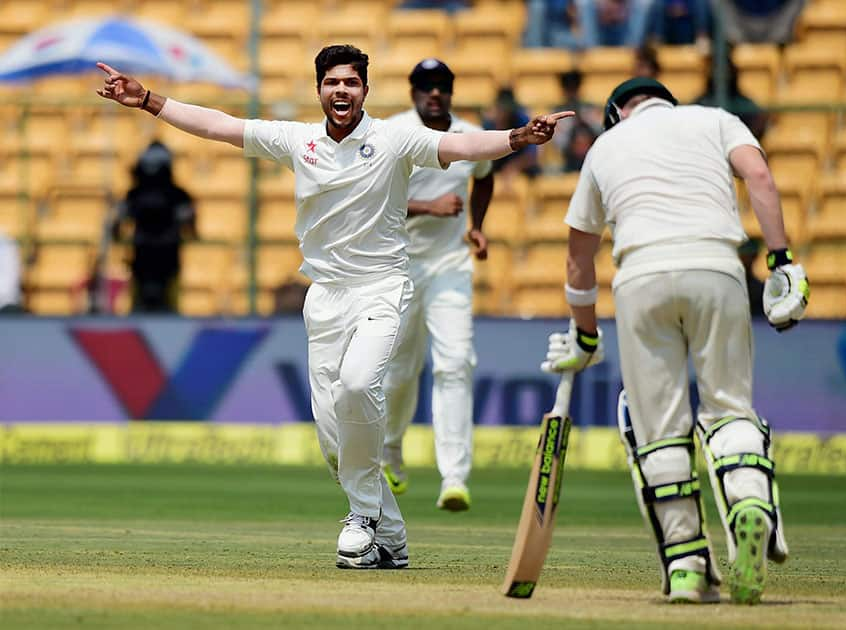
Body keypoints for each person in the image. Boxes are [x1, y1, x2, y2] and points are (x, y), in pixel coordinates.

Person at [95, 45, 572, 569]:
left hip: (382, 287)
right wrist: (147, 101)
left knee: (357, 385)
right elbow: (219, 125)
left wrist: (519, 137)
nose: (340, 91)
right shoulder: (298, 140)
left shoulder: (395, 138)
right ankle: (391, 537)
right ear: (318, 89)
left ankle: (362, 521)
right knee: (331, 440)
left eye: (350, 83)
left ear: (365, 90)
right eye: (331, 83)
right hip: (323, 297)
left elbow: (461, 146)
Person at [539, 77, 807, 604]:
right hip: (717, 266)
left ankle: (686, 566)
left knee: (658, 428)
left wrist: (585, 335)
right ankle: (750, 504)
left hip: (641, 274)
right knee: (729, 409)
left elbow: (578, 255)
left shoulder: (604, 146)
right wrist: (781, 261)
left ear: (618, 112)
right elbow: (759, 175)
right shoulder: (713, 119)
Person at [380, 59, 494, 511]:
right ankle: (389, 452)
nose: (434, 94)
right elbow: (372, 198)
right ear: (413, 93)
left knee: (455, 364)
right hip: (398, 266)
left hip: (451, 265)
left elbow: (484, 178)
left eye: (442, 87)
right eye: (426, 87)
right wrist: (428, 206)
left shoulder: (468, 134)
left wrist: (477, 224)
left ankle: (454, 477)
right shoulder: (392, 134)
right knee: (398, 371)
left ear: (451, 92)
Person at [112, 140, 195, 313]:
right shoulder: (179, 195)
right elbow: (191, 228)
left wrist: (118, 236)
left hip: (143, 258)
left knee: (140, 308)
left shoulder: (133, 194)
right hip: (166, 259)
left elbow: (117, 226)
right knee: (169, 309)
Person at [695, 55, 768, 139]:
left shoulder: (742, 102)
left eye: (725, 71)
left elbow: (759, 124)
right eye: (716, 70)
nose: (721, 75)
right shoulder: (701, 102)